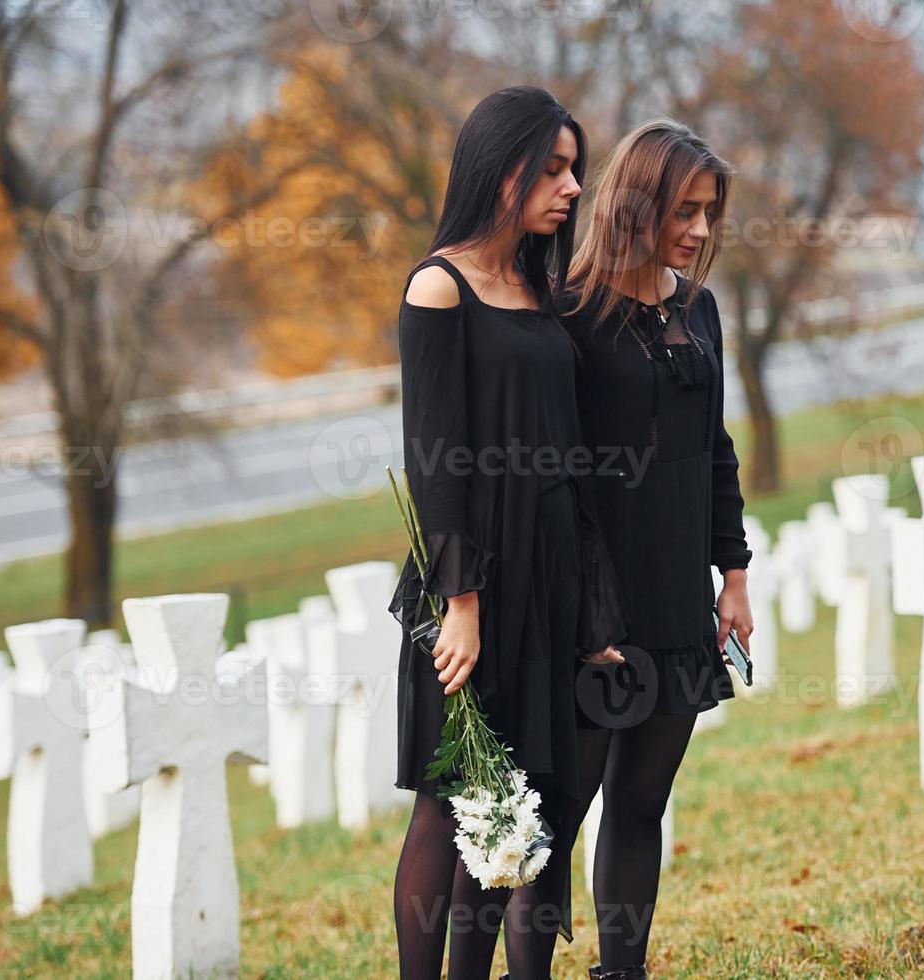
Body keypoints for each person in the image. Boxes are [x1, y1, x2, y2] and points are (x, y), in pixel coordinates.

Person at [389, 85, 627, 980]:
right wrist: (461, 603)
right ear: (503, 166)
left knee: (515, 814)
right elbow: (435, 459)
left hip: (551, 577)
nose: (572, 188)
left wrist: (593, 606)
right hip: (473, 584)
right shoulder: (437, 287)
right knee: (455, 804)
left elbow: (573, 453)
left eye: (576, 169)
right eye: (555, 168)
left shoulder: (539, 287)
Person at [558, 119, 754, 980]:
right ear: (636, 202)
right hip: (598, 601)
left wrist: (734, 575)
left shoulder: (698, 307)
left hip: (678, 590)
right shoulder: (567, 313)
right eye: (685, 209)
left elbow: (715, 448)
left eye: (708, 212)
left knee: (643, 800)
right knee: (565, 808)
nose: (700, 230)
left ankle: (621, 971)